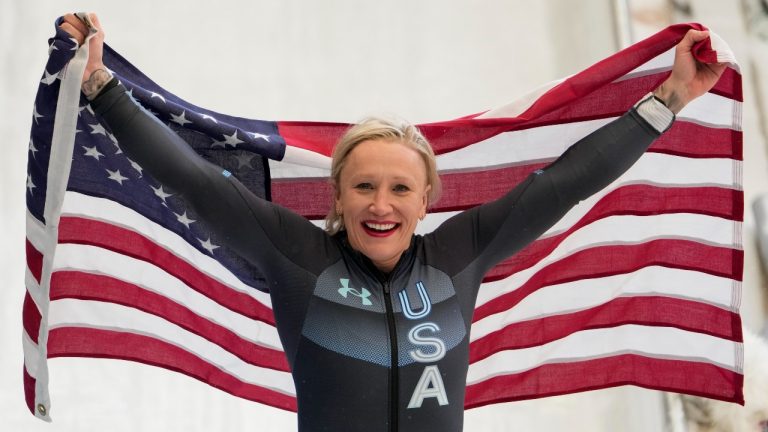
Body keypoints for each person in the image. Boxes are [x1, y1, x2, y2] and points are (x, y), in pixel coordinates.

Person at [59, 12, 726, 432]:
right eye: (364, 187)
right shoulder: (299, 257)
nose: (382, 203)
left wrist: (669, 99)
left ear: (427, 197)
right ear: (338, 197)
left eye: (400, 188)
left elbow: (566, 183)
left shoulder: (459, 253)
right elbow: (195, 183)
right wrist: (100, 89)